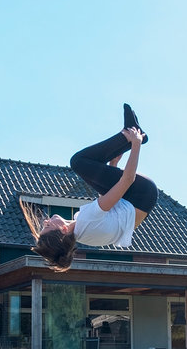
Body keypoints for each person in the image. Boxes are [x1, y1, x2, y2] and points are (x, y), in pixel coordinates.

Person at [23, 103, 158, 271]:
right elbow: (127, 180)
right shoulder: (88, 219)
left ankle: (128, 134)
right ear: (64, 230)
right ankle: (132, 134)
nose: (45, 220)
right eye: (48, 226)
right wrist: (136, 145)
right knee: (78, 162)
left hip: (136, 201)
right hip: (141, 194)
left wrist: (113, 165)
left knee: (88, 166)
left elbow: (117, 209)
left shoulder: (85, 233)